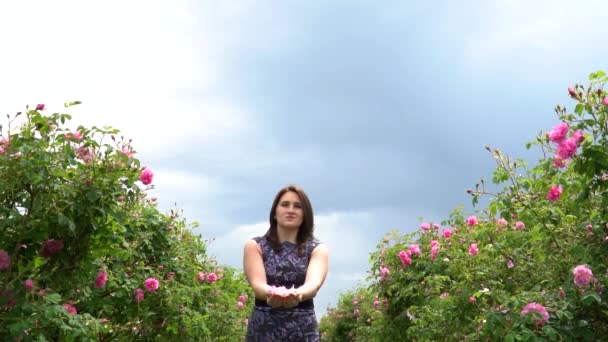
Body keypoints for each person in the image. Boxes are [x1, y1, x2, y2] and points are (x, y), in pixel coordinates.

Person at [243, 184, 329, 341]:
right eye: (284, 204)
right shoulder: (255, 246)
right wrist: (272, 294)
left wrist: (297, 295)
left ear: (305, 214)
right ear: (275, 212)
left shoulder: (318, 249)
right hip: (263, 328)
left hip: (303, 330)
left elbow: (313, 284)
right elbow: (258, 285)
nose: (290, 210)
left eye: (298, 206)